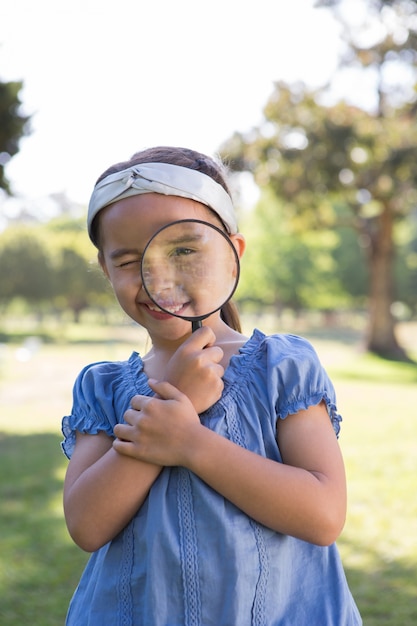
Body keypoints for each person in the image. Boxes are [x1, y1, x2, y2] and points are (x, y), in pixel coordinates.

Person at [61, 145, 362, 625]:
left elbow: (323, 515)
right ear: (105, 270)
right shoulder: (103, 388)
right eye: (128, 261)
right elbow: (86, 525)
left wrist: (189, 441)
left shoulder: (280, 367)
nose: (157, 277)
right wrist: (171, 405)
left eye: (183, 249)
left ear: (233, 254)